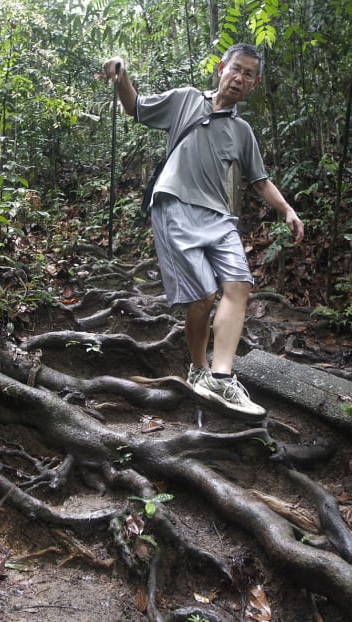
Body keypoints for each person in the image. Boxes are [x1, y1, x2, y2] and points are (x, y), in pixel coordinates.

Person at [103, 44, 304, 416]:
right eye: (235, 69)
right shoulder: (184, 100)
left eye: (248, 75)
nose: (239, 78)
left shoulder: (242, 131)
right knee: (203, 296)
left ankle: (222, 377)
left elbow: (260, 182)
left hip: (218, 217)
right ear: (220, 68)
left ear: (254, 84)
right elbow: (134, 107)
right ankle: (198, 370)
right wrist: (122, 74)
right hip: (175, 203)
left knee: (239, 286)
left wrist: (288, 209)